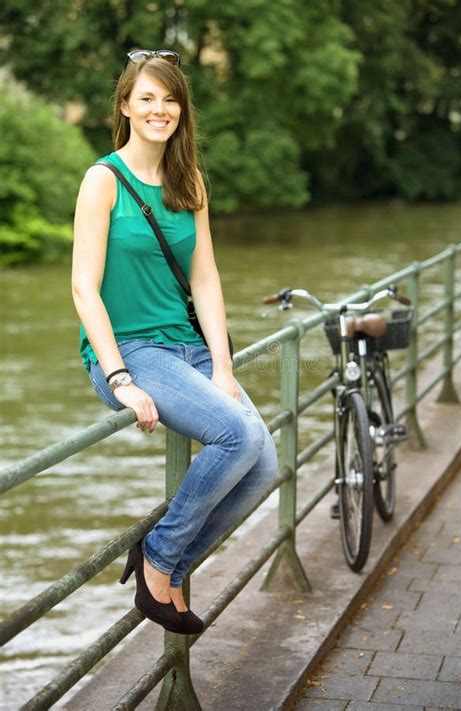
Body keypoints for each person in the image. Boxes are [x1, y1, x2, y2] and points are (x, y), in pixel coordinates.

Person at [71, 49, 278, 635]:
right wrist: (119, 379)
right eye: (147, 99)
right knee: (235, 434)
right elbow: (84, 290)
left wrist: (222, 365)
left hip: (188, 349)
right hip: (131, 352)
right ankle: (162, 564)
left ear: (182, 110)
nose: (160, 109)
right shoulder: (102, 179)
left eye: (170, 99)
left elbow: (206, 277)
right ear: (125, 107)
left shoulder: (189, 180)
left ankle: (162, 563)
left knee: (265, 466)